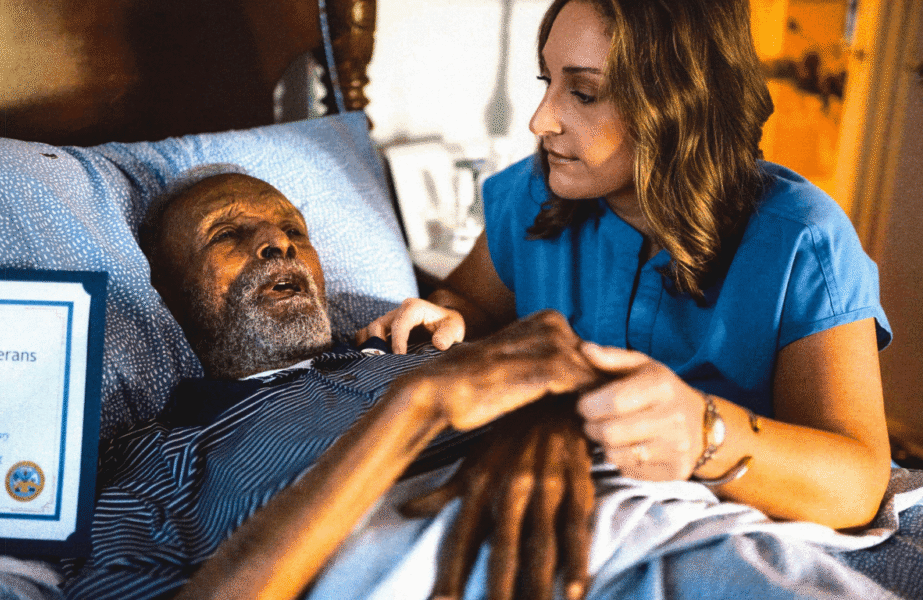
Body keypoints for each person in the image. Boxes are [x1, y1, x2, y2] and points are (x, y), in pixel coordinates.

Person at [361, 0, 893, 531]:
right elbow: (471, 302)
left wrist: (703, 435)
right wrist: (450, 319)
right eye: (546, 80)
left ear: (681, 102)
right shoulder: (534, 193)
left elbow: (857, 482)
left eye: (584, 93)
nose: (540, 120)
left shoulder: (802, 239)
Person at [59, 172, 600, 600]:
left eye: (295, 232)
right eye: (226, 235)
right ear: (166, 293)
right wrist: (414, 411)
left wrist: (547, 415)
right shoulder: (154, 460)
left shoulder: (423, 347)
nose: (278, 243)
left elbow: (583, 381)